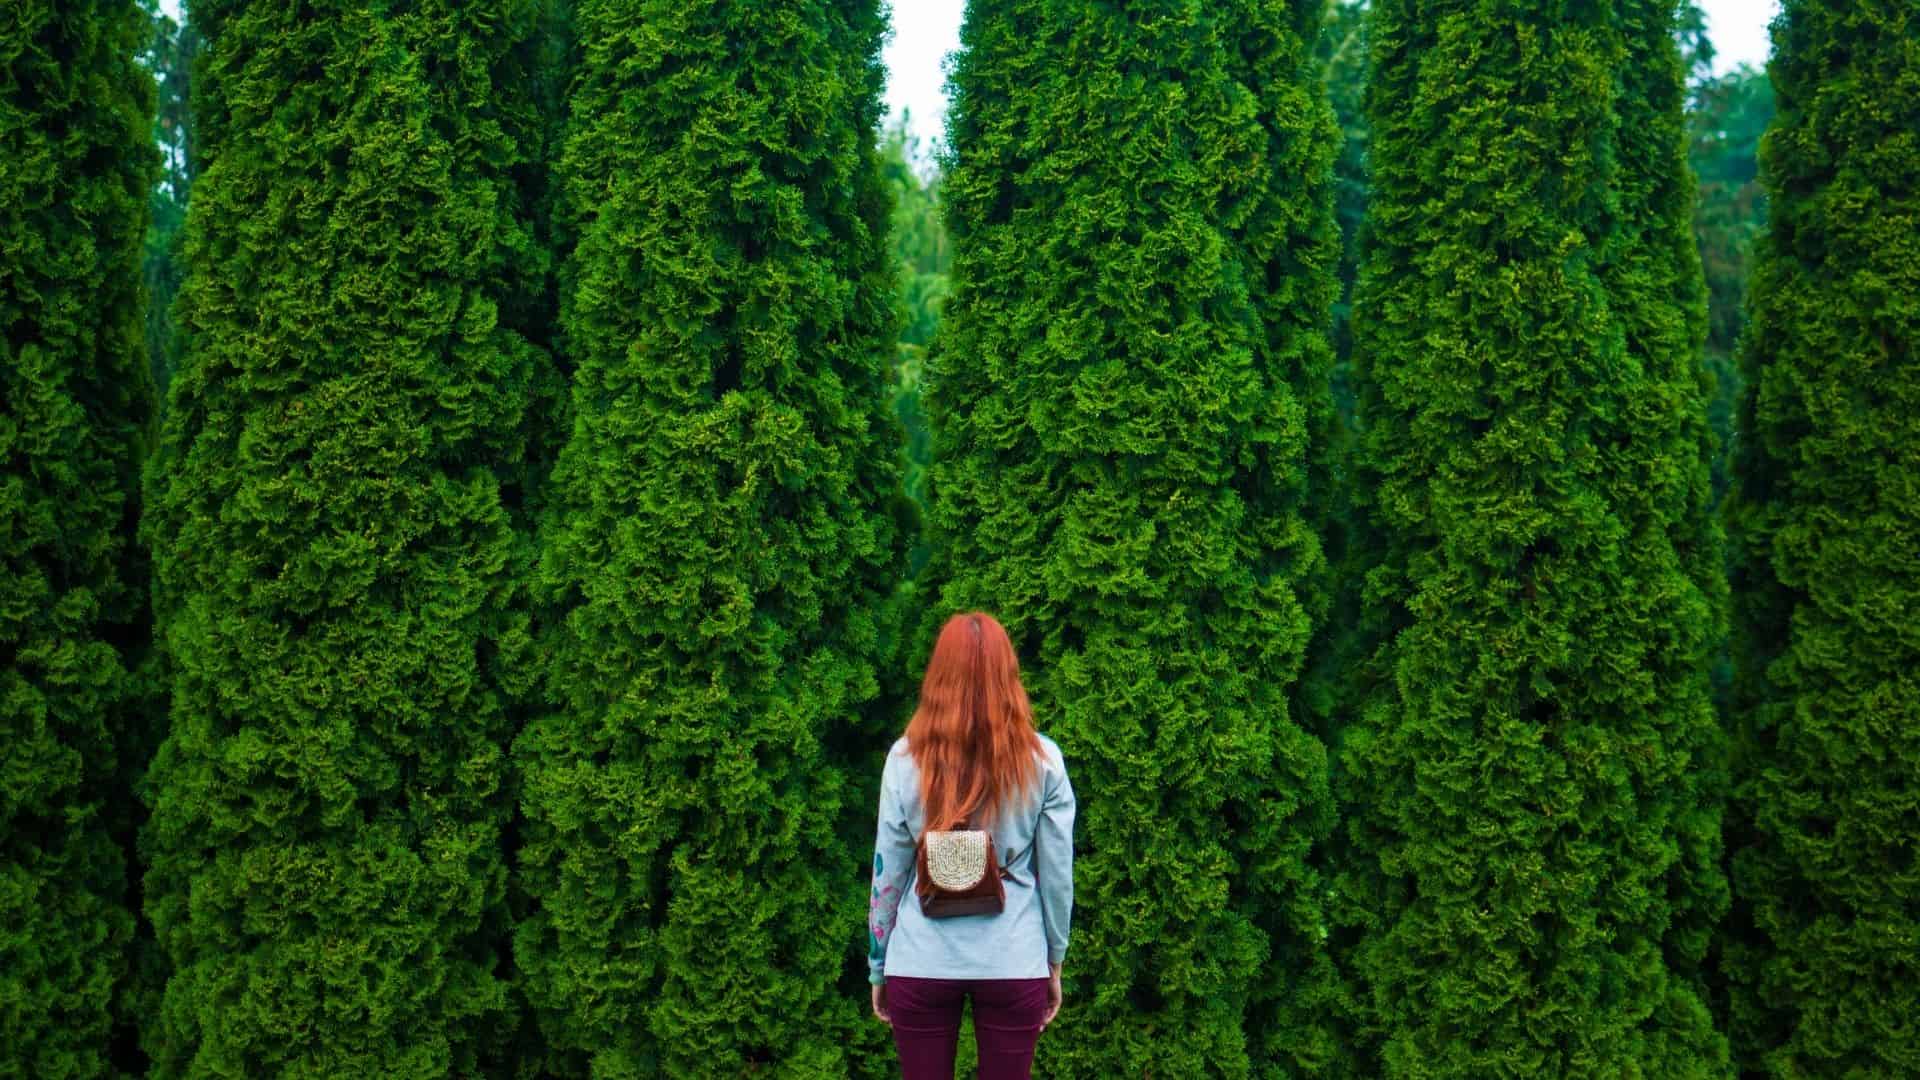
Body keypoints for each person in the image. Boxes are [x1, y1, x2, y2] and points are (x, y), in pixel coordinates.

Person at [866, 611, 1076, 1080]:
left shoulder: (904, 759)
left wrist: (879, 966)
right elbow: (1058, 876)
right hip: (1014, 959)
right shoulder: (1043, 761)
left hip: (919, 960)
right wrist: (1054, 961)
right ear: (1010, 676)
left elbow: (888, 874)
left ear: (938, 677)